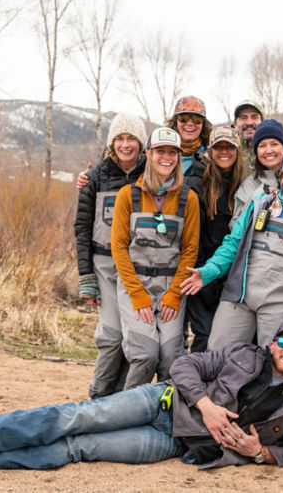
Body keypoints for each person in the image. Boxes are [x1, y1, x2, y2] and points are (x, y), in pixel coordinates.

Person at [0, 322, 283, 475]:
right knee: (77, 417)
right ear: (272, 345)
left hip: (175, 443)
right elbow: (184, 365)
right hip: (163, 402)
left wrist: (259, 453)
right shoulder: (242, 354)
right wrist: (205, 406)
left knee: (79, 448)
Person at [181, 146, 283, 350]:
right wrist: (208, 272)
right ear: (282, 176)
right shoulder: (259, 204)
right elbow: (232, 243)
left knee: (277, 359)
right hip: (240, 296)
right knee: (218, 353)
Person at [110, 127, 200, 389]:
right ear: (148, 154)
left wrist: (174, 295)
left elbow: (190, 251)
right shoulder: (128, 195)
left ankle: (164, 409)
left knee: (171, 357)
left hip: (171, 287)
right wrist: (137, 294)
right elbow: (119, 248)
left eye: (172, 152)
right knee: (145, 355)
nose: (166, 158)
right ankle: (127, 407)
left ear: (179, 157)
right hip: (135, 285)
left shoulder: (189, 199)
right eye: (160, 151)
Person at [74, 112, 147, 399]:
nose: (125, 145)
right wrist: (86, 276)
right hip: (104, 266)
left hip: (138, 265)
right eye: (120, 138)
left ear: (141, 143)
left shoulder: (150, 175)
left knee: (133, 337)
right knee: (112, 336)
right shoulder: (94, 176)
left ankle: (120, 401)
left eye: (131, 139)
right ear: (111, 142)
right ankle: (99, 396)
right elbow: (82, 229)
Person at [183, 126, 246, 352]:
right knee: (205, 334)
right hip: (199, 272)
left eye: (230, 147)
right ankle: (195, 375)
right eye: (219, 147)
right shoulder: (195, 184)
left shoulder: (243, 185)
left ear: (237, 151)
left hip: (231, 276)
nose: (224, 152)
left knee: (228, 339)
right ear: (210, 151)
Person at [229, 118, 283, 227]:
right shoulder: (248, 185)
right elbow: (235, 226)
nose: (268, 151)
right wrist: (256, 199)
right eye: (262, 146)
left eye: (274, 144)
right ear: (256, 152)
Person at [165, 95, 213, 177]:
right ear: (175, 122)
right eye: (183, 118)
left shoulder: (212, 157)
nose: (190, 123)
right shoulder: (159, 152)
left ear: (203, 124)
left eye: (197, 119)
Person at [232, 99, 264, 166]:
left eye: (255, 117)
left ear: (262, 122)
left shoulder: (273, 150)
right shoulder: (228, 152)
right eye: (243, 118)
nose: (249, 123)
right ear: (235, 124)